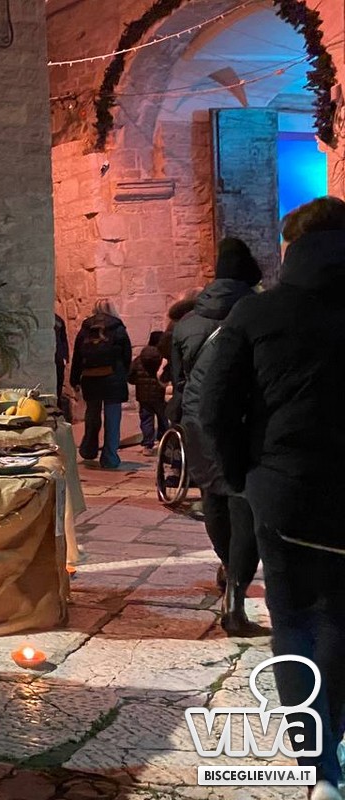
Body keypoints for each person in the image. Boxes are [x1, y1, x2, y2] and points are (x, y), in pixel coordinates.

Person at [200, 196, 345, 800]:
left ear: (292, 248)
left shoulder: (259, 314)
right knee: (339, 617)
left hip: (284, 494)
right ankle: (333, 747)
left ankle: (320, 768)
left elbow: (212, 407)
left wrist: (244, 476)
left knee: (295, 622)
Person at [172, 236, 266, 637]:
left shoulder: (186, 323)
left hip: (199, 420)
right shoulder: (260, 313)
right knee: (245, 504)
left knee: (212, 495)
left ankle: (227, 565)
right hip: (244, 420)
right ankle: (236, 593)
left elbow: (178, 381)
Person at [70, 299, 132, 469]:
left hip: (90, 378)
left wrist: (74, 379)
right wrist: (124, 374)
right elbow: (127, 355)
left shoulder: (86, 328)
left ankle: (89, 449)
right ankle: (110, 457)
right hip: (113, 377)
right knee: (113, 419)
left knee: (92, 415)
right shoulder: (118, 328)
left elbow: (77, 356)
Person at [127, 331, 167, 455]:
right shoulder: (163, 359)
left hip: (143, 396)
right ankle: (164, 443)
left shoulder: (139, 359)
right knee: (163, 419)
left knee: (146, 420)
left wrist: (139, 383)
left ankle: (148, 445)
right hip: (160, 395)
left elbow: (130, 376)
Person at [54, 312, 73, 422]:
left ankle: (57, 410)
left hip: (58, 358)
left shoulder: (58, 320)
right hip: (53, 357)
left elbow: (63, 339)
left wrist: (65, 356)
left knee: (58, 385)